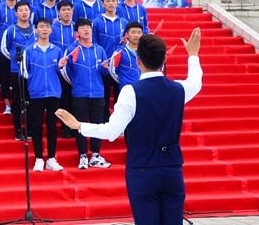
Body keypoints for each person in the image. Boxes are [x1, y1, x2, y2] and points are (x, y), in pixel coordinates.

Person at [56, 28, 203, 225]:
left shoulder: (131, 92)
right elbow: (195, 82)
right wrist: (193, 55)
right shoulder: (178, 89)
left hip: (142, 167)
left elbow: (112, 131)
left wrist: (78, 125)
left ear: (138, 60)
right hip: (172, 166)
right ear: (164, 60)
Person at [59, 18, 111, 170]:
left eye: (88, 27)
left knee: (97, 125)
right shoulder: (71, 50)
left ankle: (95, 155)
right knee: (80, 125)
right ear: (77, 32)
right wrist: (76, 84)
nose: (86, 30)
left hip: (98, 94)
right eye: (82, 28)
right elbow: (65, 71)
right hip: (79, 94)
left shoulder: (99, 49)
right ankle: (82, 156)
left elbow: (104, 73)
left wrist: (105, 68)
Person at [21, 17, 64, 172]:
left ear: (51, 30)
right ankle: (39, 158)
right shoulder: (29, 50)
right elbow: (23, 72)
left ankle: (51, 158)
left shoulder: (57, 50)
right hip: (36, 93)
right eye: (41, 26)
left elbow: (62, 72)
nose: (44, 29)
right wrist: (34, 79)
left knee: (52, 126)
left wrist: (60, 67)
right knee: (36, 126)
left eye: (47, 27)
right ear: (36, 30)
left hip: (53, 92)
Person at [0, 0, 37, 140]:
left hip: (33, 70)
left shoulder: (36, 29)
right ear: (16, 13)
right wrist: (15, 59)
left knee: (32, 99)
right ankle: (18, 129)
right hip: (17, 70)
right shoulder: (10, 30)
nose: (24, 12)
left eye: (26, 9)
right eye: (21, 10)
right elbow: (4, 48)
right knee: (17, 100)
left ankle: (30, 128)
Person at [92, 0, 129, 122]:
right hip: (104, 65)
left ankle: (120, 123)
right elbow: (94, 43)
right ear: (102, 4)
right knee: (104, 97)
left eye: (113, 1)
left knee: (121, 97)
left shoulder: (124, 22)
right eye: (107, 1)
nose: (111, 3)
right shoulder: (96, 22)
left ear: (117, 3)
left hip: (120, 66)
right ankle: (105, 123)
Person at [50, 0, 75, 139]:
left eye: (68, 9)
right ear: (58, 12)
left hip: (76, 69)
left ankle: (74, 126)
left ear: (72, 11)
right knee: (63, 99)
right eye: (63, 10)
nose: (66, 12)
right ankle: (65, 127)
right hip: (59, 69)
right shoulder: (52, 28)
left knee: (74, 99)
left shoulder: (77, 27)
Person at [0, 0, 18, 114]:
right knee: (4, 78)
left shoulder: (21, 8)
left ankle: (18, 103)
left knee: (17, 78)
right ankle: (7, 104)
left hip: (19, 49)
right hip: (3, 48)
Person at [109, 21, 143, 91]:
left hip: (144, 89)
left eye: (139, 32)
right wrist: (123, 81)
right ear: (127, 34)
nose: (136, 35)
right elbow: (112, 71)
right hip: (127, 90)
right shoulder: (119, 52)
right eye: (133, 32)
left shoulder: (147, 51)